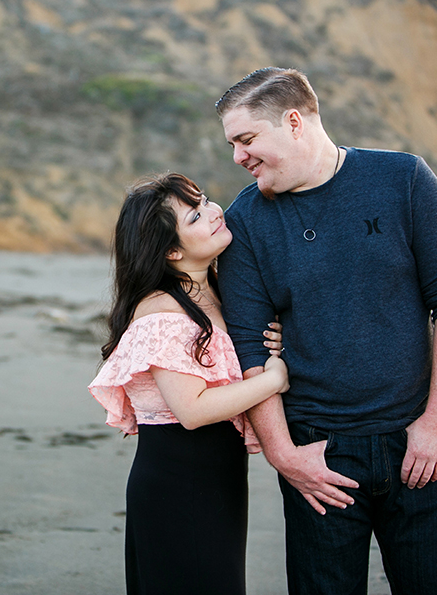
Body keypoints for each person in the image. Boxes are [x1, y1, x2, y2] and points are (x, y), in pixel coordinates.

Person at [214, 67, 437, 595]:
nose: (238, 157)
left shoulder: (403, 180)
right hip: (318, 456)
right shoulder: (245, 220)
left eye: (246, 140)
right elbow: (247, 341)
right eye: (233, 145)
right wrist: (285, 456)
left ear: (293, 121)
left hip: (417, 442)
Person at [88, 172, 289, 595]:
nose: (215, 212)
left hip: (218, 483)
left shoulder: (215, 289)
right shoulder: (162, 310)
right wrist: (274, 378)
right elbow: (193, 410)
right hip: (178, 488)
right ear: (173, 251)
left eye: (207, 201)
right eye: (196, 216)